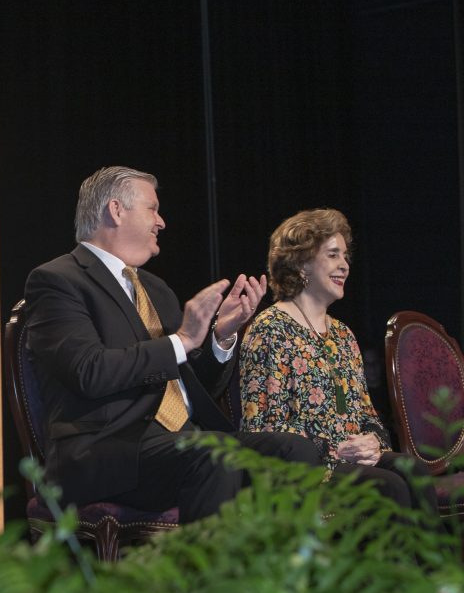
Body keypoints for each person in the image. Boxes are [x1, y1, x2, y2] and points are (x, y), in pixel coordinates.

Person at [24, 166, 322, 523]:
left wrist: (219, 337)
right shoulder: (58, 281)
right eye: (152, 208)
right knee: (215, 454)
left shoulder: (156, 289)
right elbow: (89, 371)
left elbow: (195, 386)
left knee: (294, 450)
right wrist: (181, 340)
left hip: (179, 443)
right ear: (116, 211)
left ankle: (286, 574)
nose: (161, 221)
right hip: (107, 451)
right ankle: (208, 579)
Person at [240, 208, 436, 515]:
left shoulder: (343, 334)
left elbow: (367, 413)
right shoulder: (270, 328)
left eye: (345, 256)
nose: (344, 265)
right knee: (389, 486)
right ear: (301, 262)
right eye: (333, 255)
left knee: (414, 472)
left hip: (351, 460)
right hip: (307, 470)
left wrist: (372, 442)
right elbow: (264, 426)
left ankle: (433, 565)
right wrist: (334, 449)